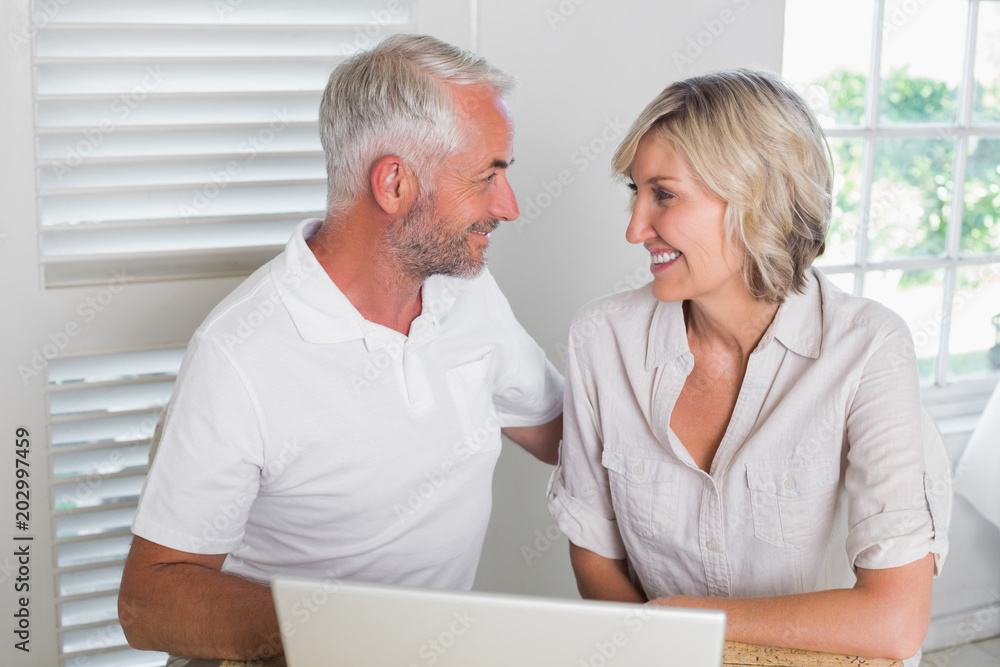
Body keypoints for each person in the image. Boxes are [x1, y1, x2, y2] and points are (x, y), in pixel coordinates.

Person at [119, 34, 563, 664]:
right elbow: (149, 602)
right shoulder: (238, 354)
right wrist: (351, 635)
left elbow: (564, 435)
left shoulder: (466, 292)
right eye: (487, 176)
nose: (509, 206)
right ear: (395, 184)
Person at [547, 68, 949, 666]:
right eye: (635, 192)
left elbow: (893, 622)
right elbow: (595, 557)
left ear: (761, 198)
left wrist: (681, 622)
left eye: (664, 195)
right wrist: (662, 645)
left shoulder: (868, 348)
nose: (634, 229)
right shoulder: (602, 339)